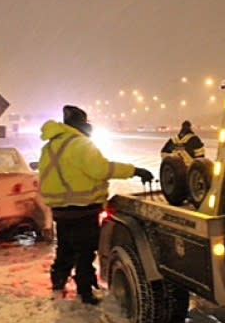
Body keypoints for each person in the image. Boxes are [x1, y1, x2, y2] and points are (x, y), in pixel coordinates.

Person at [38, 105, 153, 305]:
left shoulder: (49, 146)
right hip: (83, 208)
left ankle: (58, 284)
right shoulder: (80, 144)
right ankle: (86, 291)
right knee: (85, 251)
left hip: (60, 209)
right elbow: (101, 169)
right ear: (81, 124)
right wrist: (135, 170)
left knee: (65, 248)